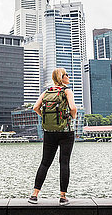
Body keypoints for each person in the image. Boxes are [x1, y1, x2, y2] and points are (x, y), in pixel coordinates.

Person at [28, 68, 77, 206]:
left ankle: (34, 195)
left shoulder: (46, 91)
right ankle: (62, 197)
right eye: (66, 75)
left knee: (45, 162)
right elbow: (73, 108)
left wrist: (45, 118)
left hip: (49, 132)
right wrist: (72, 118)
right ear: (62, 78)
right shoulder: (67, 91)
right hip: (66, 131)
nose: (68, 76)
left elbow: (35, 107)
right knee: (64, 162)